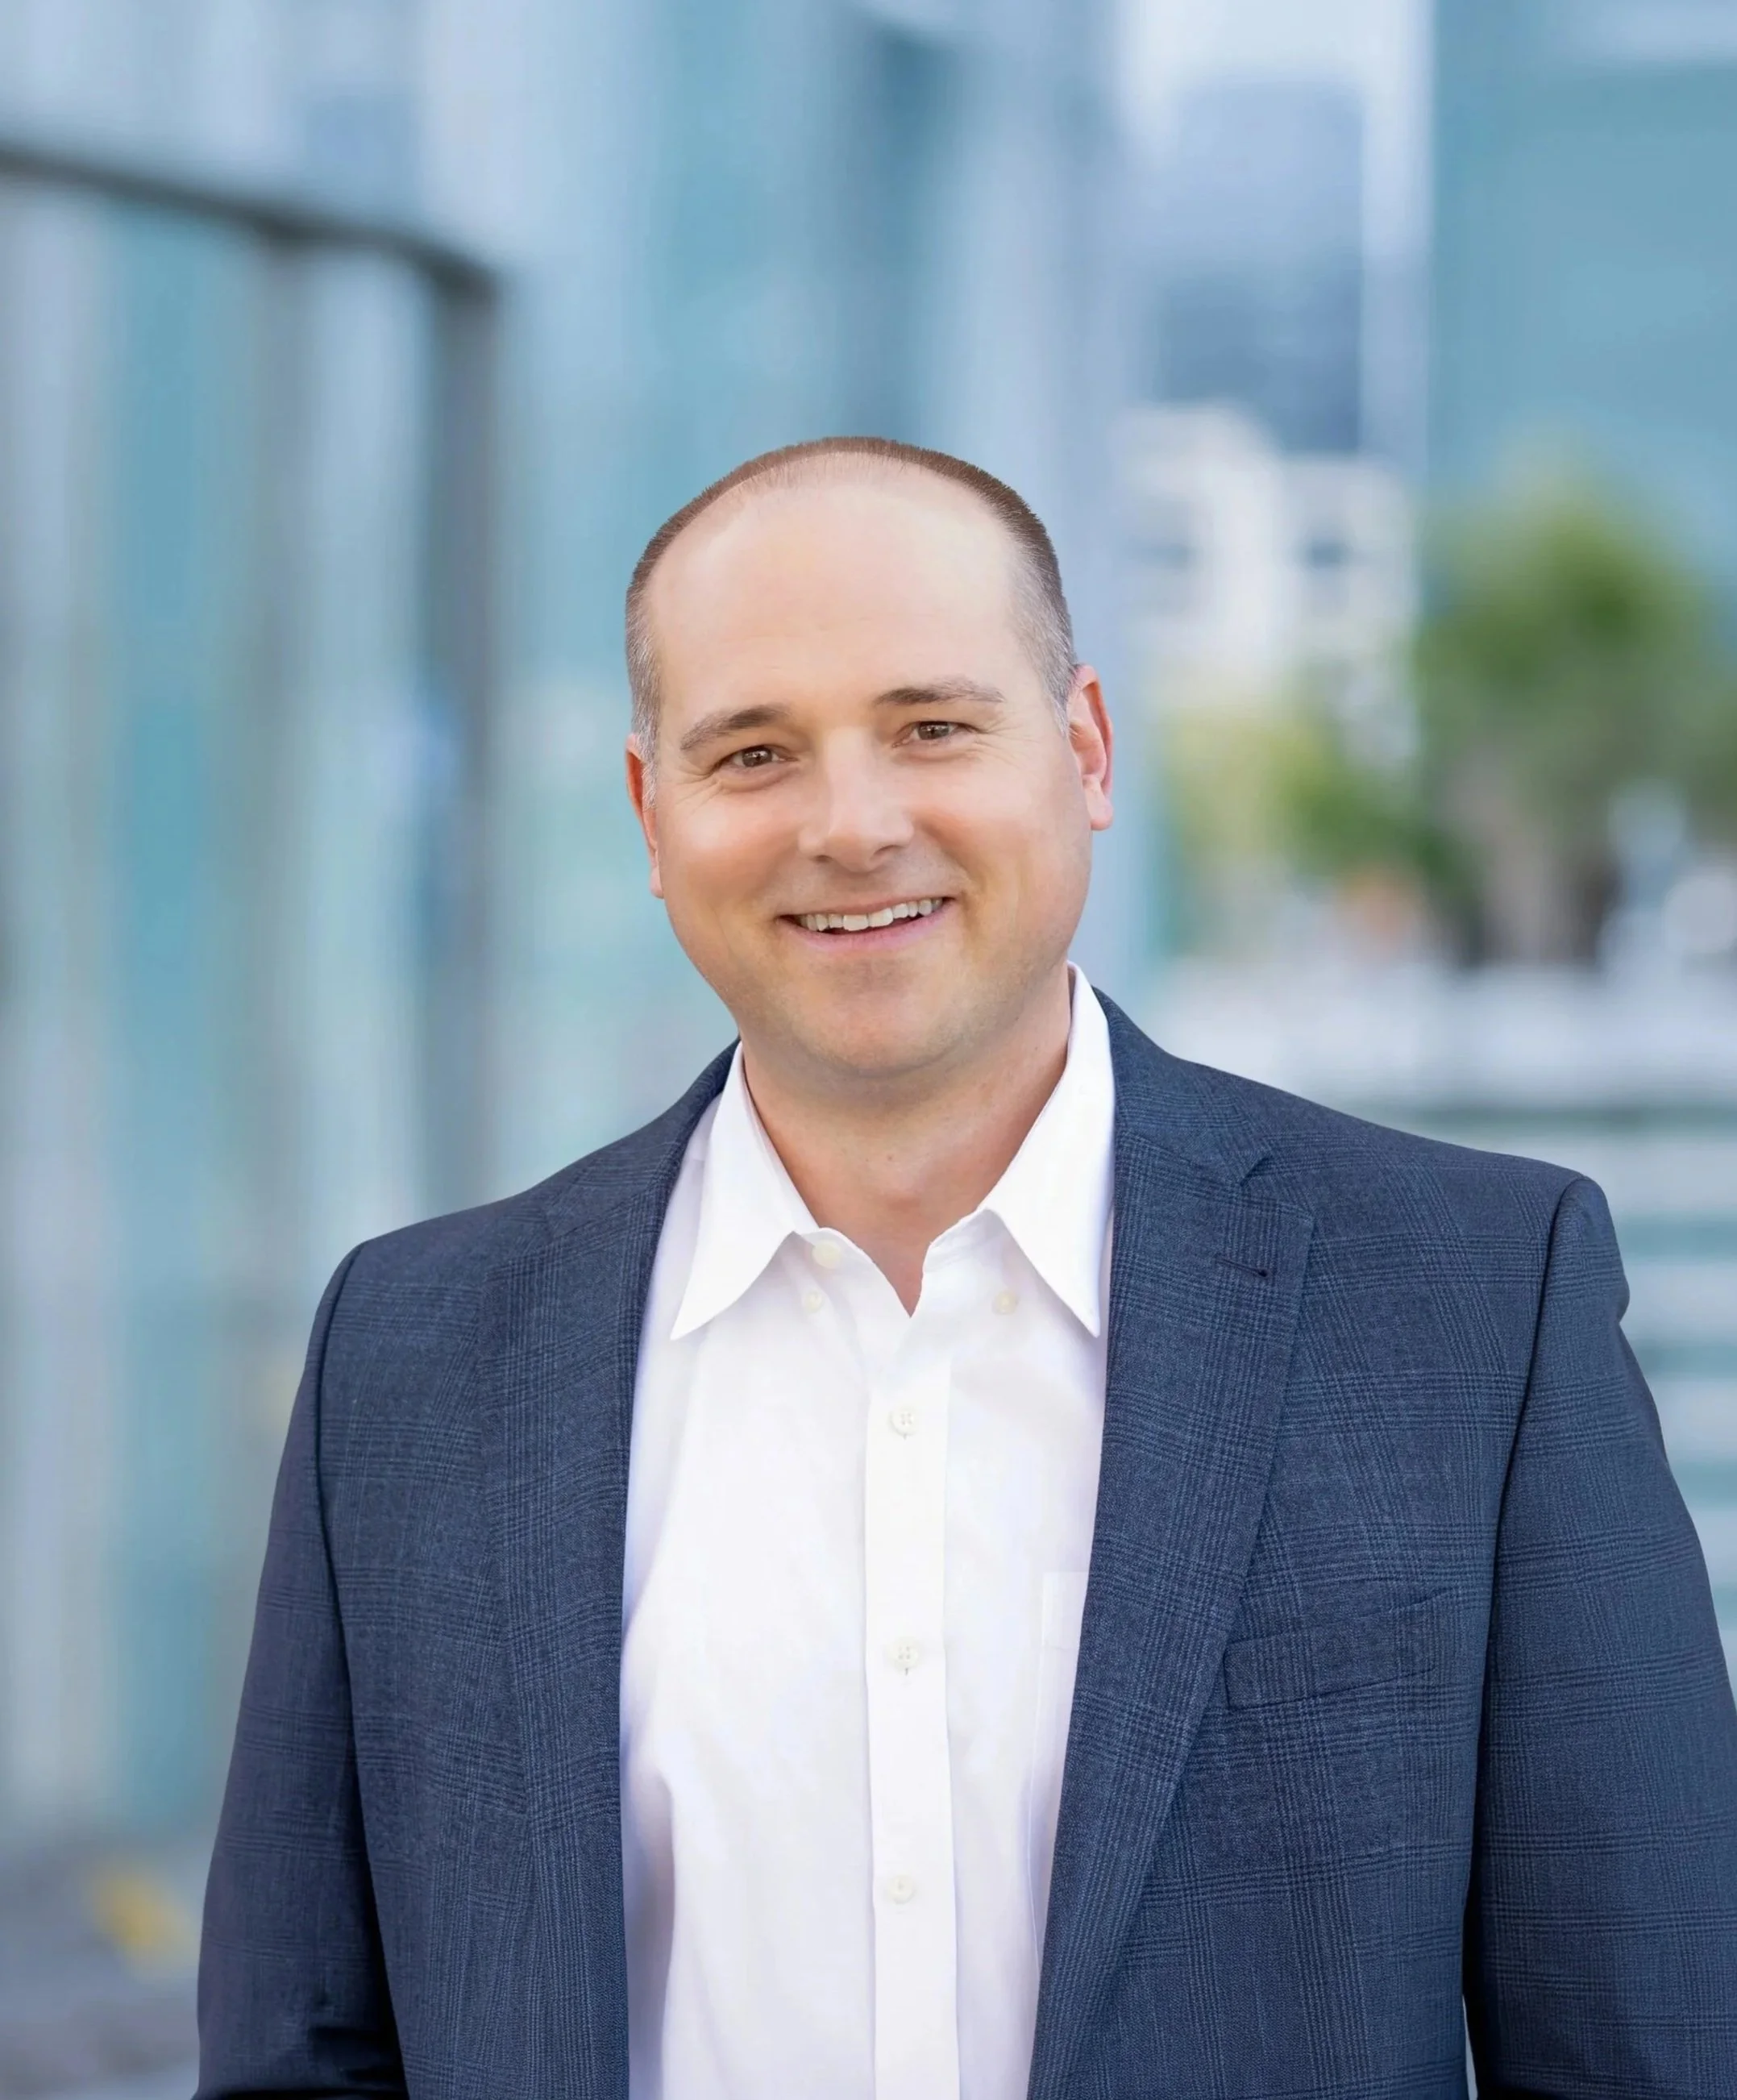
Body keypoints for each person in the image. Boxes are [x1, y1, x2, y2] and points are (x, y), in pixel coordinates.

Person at [197, 438, 1737, 2100]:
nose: (852, 825)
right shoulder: (415, 1358)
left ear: (1082, 748)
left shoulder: (1475, 1306)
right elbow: (305, 2050)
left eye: (932, 727)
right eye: (753, 753)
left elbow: (1642, 2044)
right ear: (653, 817)